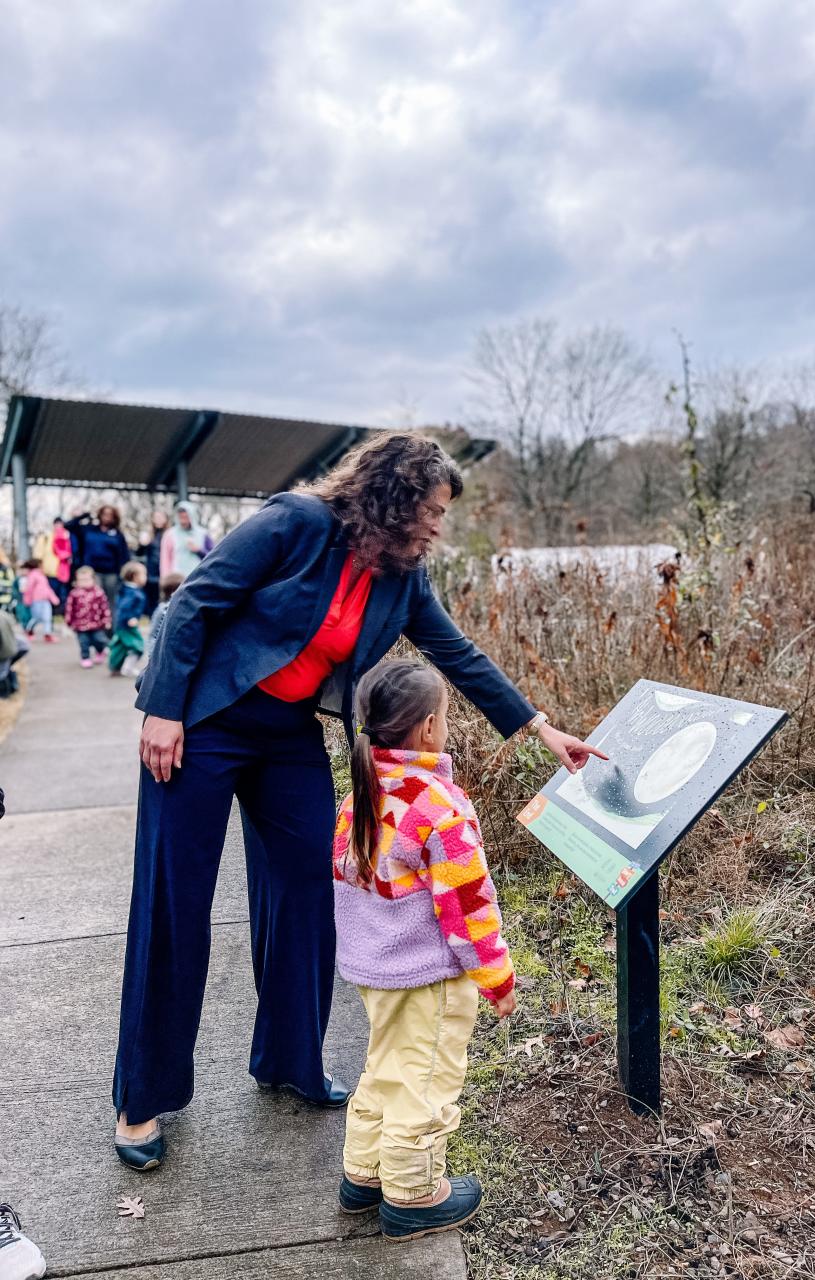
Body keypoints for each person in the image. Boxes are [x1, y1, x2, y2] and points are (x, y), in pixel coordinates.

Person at [113, 433, 604, 1173]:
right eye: (433, 511)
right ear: (396, 495)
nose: (439, 526)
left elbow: (457, 654)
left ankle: (289, 1061)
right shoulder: (295, 523)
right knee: (175, 904)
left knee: (313, 888)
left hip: (286, 736)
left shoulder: (404, 577)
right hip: (206, 720)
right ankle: (141, 1099)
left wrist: (541, 729)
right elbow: (195, 603)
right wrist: (162, 709)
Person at [335, 660, 514, 1240]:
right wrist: (496, 976)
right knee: (427, 1079)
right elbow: (468, 902)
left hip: (375, 966)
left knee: (385, 1067)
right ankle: (414, 1196)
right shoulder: (439, 804)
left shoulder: (361, 791)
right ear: (430, 727)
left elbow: (345, 876)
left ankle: (363, 1175)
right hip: (427, 973)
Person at [65, 506, 129, 623]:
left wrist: (122, 575)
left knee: (110, 603)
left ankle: (110, 634)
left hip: (111, 574)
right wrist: (85, 514)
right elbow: (68, 526)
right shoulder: (89, 529)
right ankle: (92, 631)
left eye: (110, 515)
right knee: (92, 602)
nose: (107, 517)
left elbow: (124, 556)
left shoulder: (118, 535)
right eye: (104, 514)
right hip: (92, 572)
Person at [65, 566, 112, 667]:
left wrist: (106, 620)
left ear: (93, 580)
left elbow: (105, 607)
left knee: (99, 640)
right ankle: (85, 657)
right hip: (80, 625)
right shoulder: (74, 593)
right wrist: (69, 622)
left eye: (86, 579)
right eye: (81, 580)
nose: (84, 582)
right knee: (83, 642)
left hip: (96, 624)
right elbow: (69, 608)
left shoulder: (99, 592)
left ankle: (100, 651)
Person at [107, 562, 147, 677]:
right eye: (144, 574)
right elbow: (124, 606)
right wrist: (130, 618)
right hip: (127, 625)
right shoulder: (132, 593)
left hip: (121, 625)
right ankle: (128, 668)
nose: (146, 578)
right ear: (135, 576)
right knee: (137, 646)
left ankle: (115, 668)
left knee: (120, 647)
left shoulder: (125, 589)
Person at [159, 501, 212, 580]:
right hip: (177, 579)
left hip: (198, 578)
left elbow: (212, 556)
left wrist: (199, 550)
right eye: (180, 517)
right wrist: (165, 580)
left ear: (192, 516)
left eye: (186, 517)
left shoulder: (203, 534)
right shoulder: (169, 534)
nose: (183, 521)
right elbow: (165, 560)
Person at [136, 511, 169, 616]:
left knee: (165, 600)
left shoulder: (169, 534)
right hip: (151, 574)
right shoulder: (148, 535)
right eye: (156, 517)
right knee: (151, 602)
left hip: (166, 573)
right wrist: (142, 544)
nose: (158, 519)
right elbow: (139, 553)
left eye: (161, 517)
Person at [145, 572, 183, 660]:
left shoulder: (180, 609)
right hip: (161, 656)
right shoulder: (163, 609)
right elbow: (153, 634)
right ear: (174, 591)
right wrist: (152, 655)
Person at [20, 560, 59, 643]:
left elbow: (47, 588)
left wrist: (54, 598)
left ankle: (47, 634)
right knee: (36, 618)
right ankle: (29, 631)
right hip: (36, 600)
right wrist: (27, 600)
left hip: (46, 600)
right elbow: (29, 589)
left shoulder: (42, 575)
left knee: (47, 617)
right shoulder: (32, 575)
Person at [0, 609, 29, 697]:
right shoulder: (3, 614)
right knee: (6, 668)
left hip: (6, 650)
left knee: (2, 673)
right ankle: (13, 687)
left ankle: (5, 694)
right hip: (18, 646)